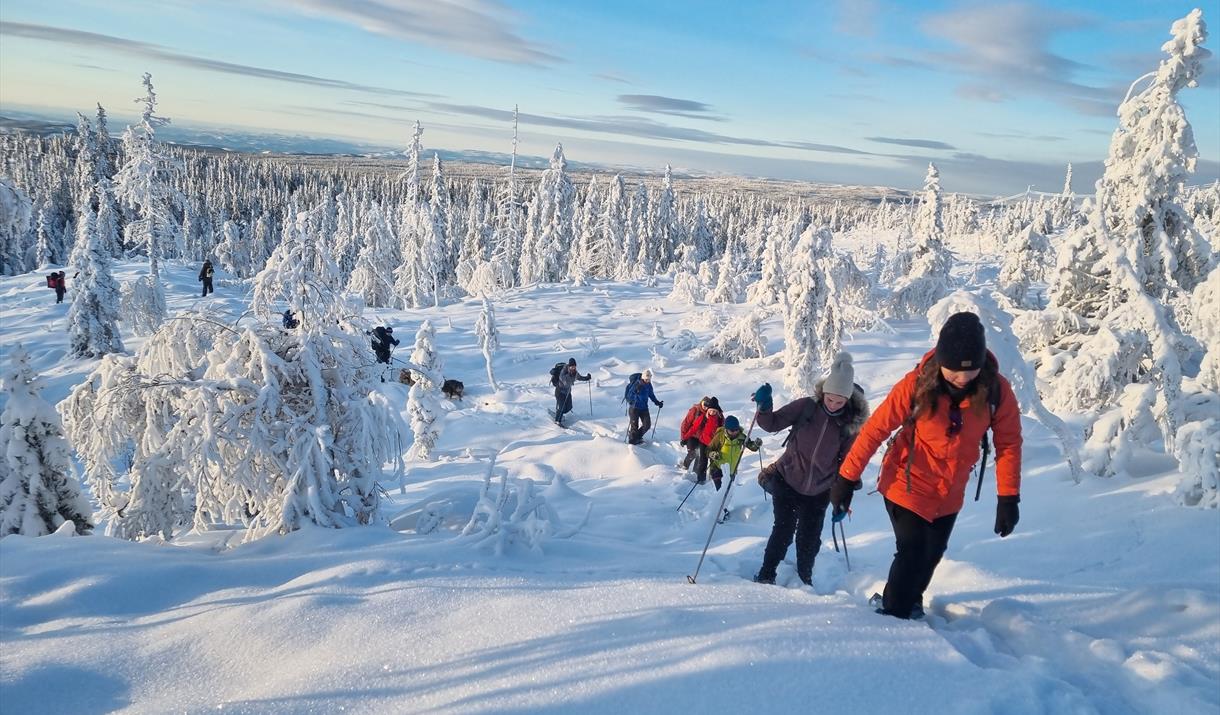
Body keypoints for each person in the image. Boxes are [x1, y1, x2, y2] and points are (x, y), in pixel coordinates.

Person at [830, 312, 1022, 620]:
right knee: (913, 551)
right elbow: (874, 430)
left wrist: (1008, 497)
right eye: (953, 372)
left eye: (970, 372)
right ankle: (893, 616)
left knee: (932, 554)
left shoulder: (996, 392)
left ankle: (906, 601)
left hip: (950, 491)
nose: (962, 379)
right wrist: (845, 480)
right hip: (905, 482)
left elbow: (1009, 443)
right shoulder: (916, 385)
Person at [750, 352, 868, 586]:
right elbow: (771, 423)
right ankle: (766, 575)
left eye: (839, 401)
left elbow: (848, 463)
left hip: (820, 490)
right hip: (788, 479)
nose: (833, 405)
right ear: (823, 392)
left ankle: (805, 579)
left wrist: (843, 498)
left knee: (809, 539)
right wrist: (764, 407)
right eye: (830, 398)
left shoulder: (849, 426)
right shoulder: (806, 407)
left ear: (847, 400)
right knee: (782, 531)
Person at [707, 415, 761, 491]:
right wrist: (713, 454)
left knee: (728, 493)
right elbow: (708, 450)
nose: (735, 432)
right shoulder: (720, 437)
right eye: (732, 430)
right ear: (726, 429)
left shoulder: (741, 437)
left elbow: (751, 446)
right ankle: (718, 502)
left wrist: (756, 444)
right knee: (721, 491)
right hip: (717, 469)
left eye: (737, 429)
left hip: (731, 471)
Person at [679, 396, 723, 483]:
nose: (712, 412)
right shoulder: (702, 417)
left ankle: (713, 479)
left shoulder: (720, 419)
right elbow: (693, 428)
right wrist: (684, 438)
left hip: (714, 444)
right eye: (710, 410)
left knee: (714, 462)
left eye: (714, 411)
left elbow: (723, 430)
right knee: (702, 461)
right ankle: (700, 479)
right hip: (703, 442)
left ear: (717, 411)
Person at [626, 368, 663, 445]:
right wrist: (635, 394)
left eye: (649, 379)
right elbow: (629, 396)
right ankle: (632, 444)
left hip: (644, 408)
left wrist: (657, 402)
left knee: (647, 425)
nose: (648, 381)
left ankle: (637, 437)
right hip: (634, 408)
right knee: (634, 427)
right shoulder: (637, 384)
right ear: (643, 378)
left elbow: (651, 395)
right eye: (646, 379)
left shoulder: (649, 385)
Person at [553, 358, 591, 426]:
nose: (573, 367)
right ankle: (557, 421)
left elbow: (579, 377)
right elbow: (563, 380)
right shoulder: (564, 371)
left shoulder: (575, 372)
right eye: (572, 366)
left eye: (574, 366)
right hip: (560, 392)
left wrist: (586, 378)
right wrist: (569, 376)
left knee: (568, 407)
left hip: (567, 392)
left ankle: (560, 414)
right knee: (561, 406)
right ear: (569, 366)